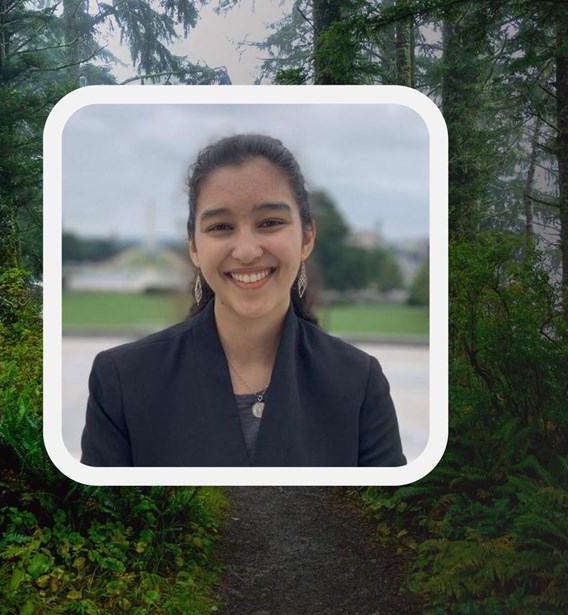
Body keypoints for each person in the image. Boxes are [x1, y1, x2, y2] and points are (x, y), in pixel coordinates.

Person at [81, 133, 406, 467]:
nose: (247, 251)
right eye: (221, 226)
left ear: (307, 236)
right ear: (194, 246)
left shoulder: (358, 383)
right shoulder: (123, 380)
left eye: (269, 223)